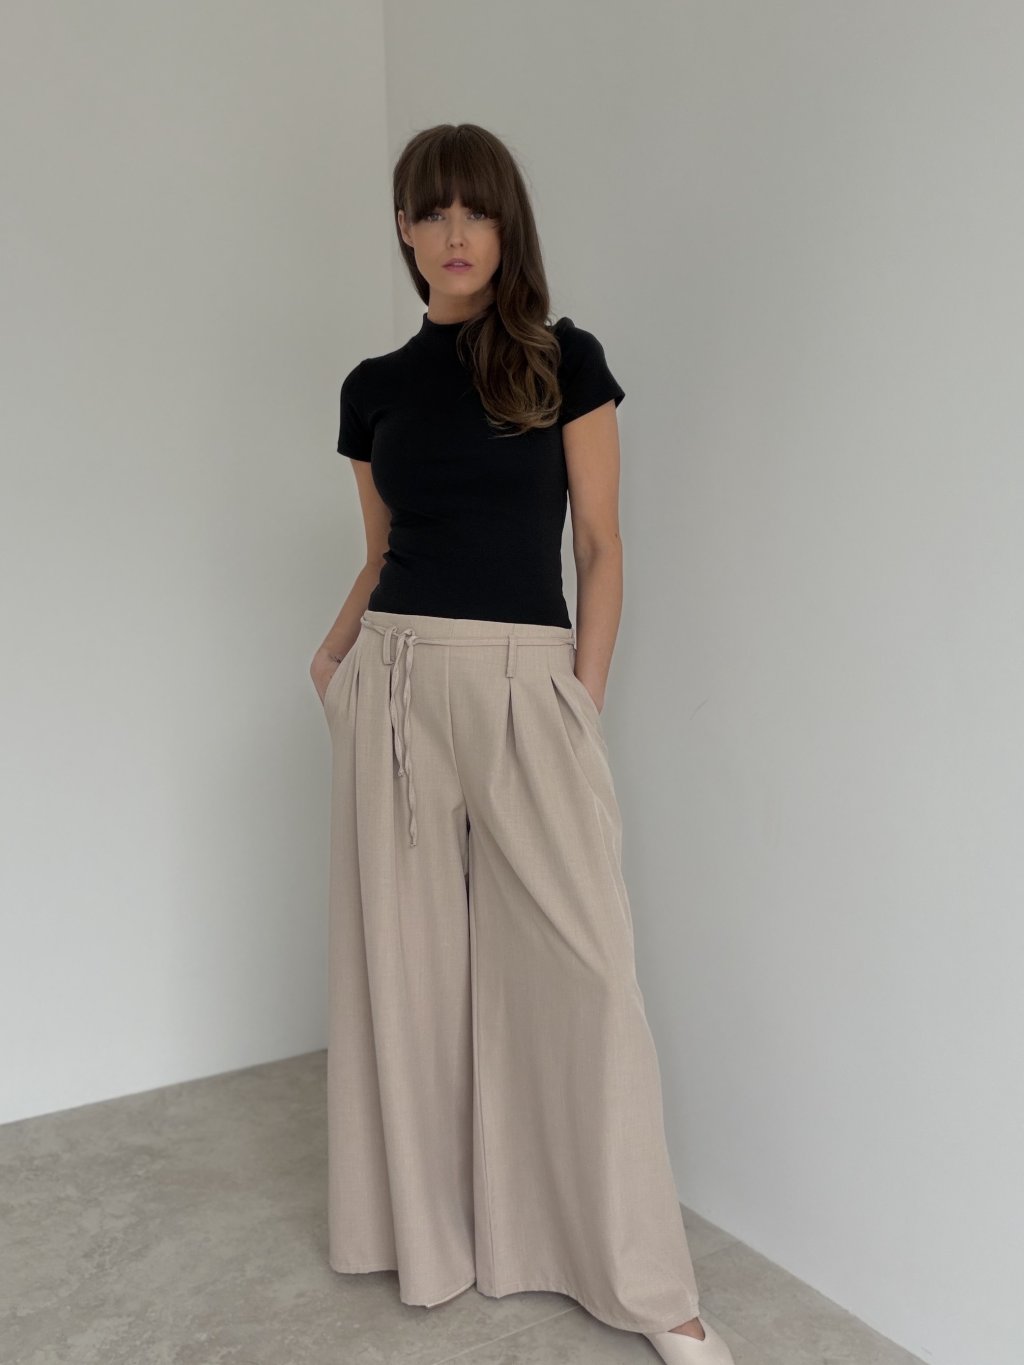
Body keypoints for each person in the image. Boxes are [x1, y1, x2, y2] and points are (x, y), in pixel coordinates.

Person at [311, 123, 734, 1365]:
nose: (455, 235)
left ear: (507, 227)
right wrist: (330, 662)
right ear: (402, 230)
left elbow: (599, 545)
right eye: (431, 212)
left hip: (525, 686)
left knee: (586, 974)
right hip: (393, 678)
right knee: (409, 977)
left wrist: (577, 701)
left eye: (476, 211)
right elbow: (381, 552)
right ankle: (437, 1244)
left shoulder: (561, 360)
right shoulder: (371, 388)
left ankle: (651, 1291)